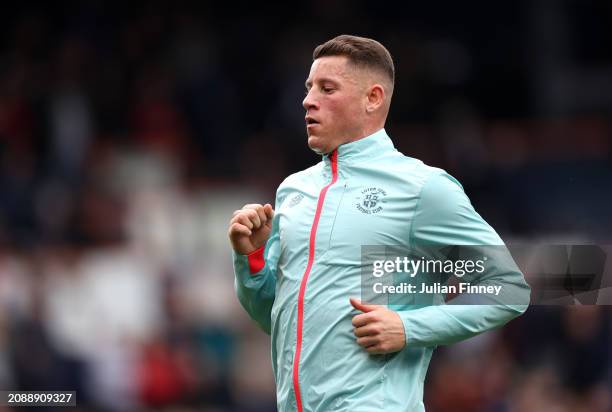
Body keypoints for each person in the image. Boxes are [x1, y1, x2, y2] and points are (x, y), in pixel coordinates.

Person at [228, 35, 530, 412]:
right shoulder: (294, 191)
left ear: (373, 98)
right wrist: (252, 260)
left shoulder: (422, 188)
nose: (308, 99)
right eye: (309, 88)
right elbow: (277, 320)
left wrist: (408, 329)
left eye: (327, 88)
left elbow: (509, 288)